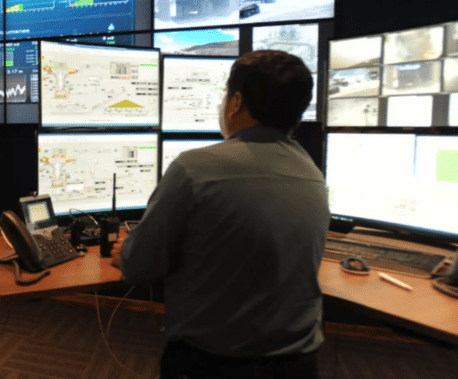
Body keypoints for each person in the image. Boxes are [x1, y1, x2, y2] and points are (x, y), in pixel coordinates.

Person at [118, 50, 329, 379]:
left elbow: (139, 267)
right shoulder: (312, 175)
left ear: (236, 102)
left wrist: (125, 249)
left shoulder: (194, 168)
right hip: (298, 364)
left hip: (211, 363)